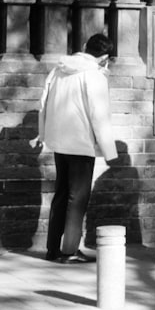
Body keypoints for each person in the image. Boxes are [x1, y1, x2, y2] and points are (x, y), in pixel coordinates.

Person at [33, 33, 118, 264]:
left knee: (61, 195)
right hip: (81, 144)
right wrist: (109, 151)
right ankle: (69, 250)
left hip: (59, 141)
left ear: (84, 47)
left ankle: (52, 249)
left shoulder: (59, 69)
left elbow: (43, 104)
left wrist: (43, 134)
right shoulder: (94, 76)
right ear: (105, 57)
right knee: (77, 199)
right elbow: (99, 116)